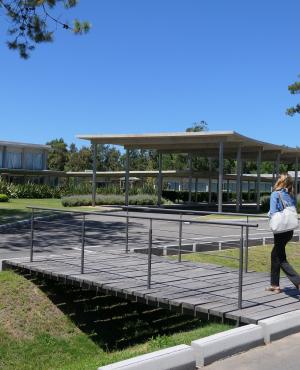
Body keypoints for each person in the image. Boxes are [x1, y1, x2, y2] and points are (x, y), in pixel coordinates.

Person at [267, 173, 300, 293]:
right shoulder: (290, 195)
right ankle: (274, 284)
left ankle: (297, 281)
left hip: (280, 231)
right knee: (275, 254)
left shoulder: (275, 194)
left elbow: (273, 212)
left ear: (280, 181)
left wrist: (269, 216)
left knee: (280, 258)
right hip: (289, 231)